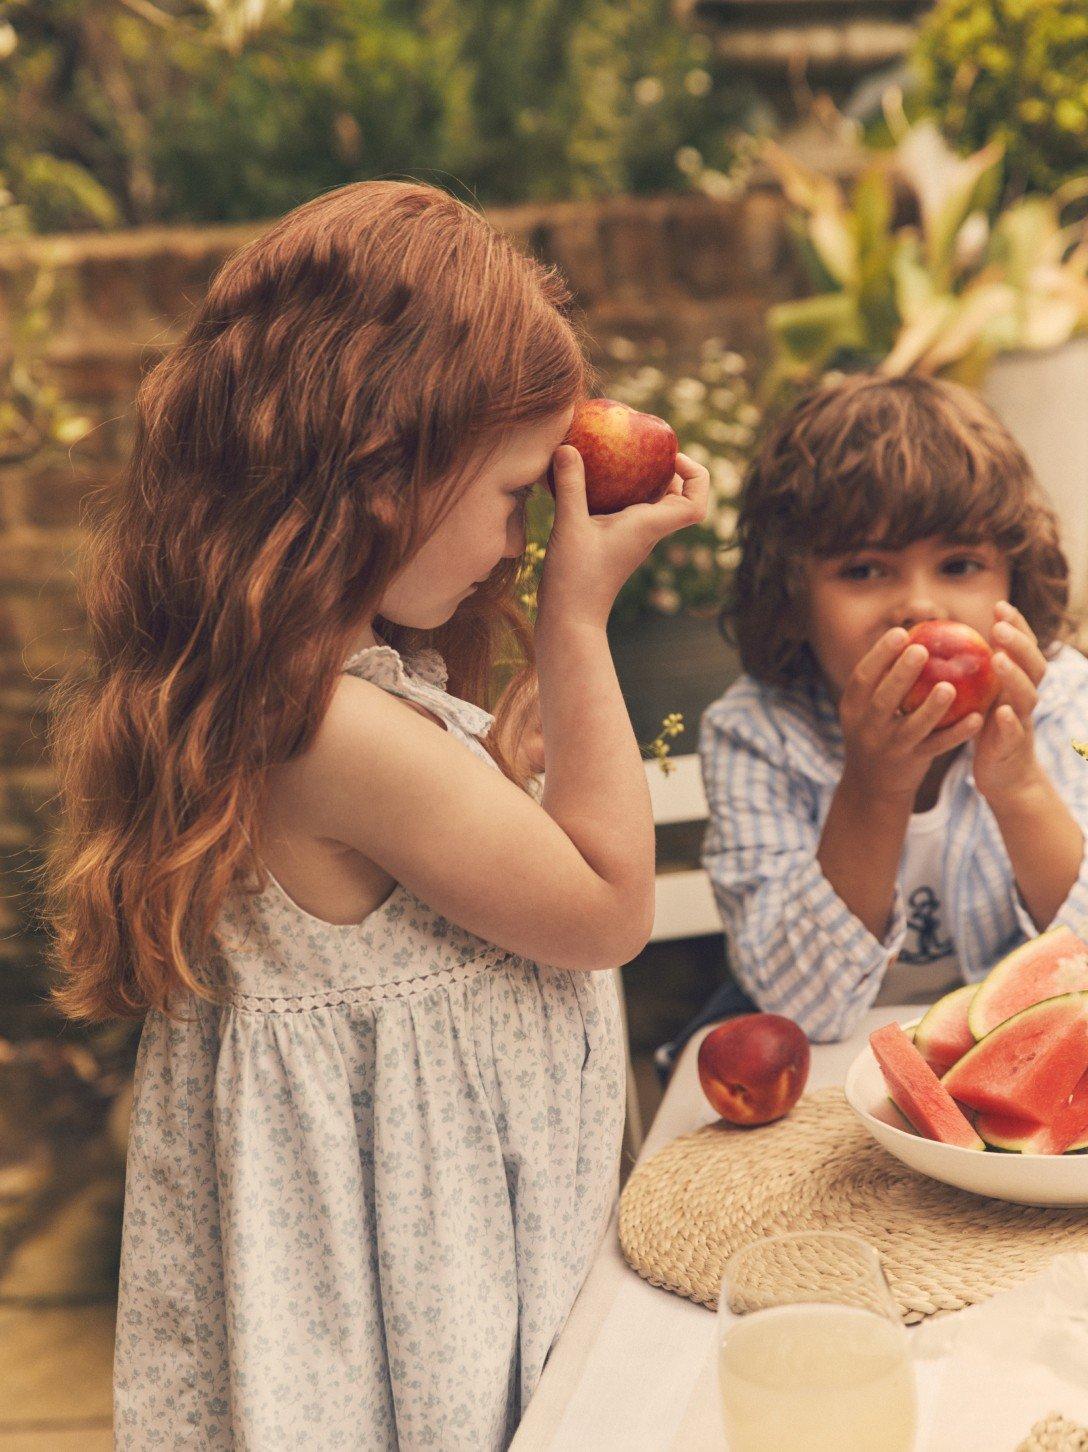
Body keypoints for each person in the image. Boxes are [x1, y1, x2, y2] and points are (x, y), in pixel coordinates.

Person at [37, 181, 708, 1448]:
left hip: (414, 1249)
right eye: (513, 494)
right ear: (380, 471)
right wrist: (575, 621)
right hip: (416, 1287)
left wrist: (502, 775)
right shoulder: (332, 732)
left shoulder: (303, 695)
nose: (521, 540)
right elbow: (609, 908)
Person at [692, 371, 1088, 1047]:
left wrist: (1019, 785)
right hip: (822, 1075)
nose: (919, 605)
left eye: (959, 565)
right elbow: (798, 1006)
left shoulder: (1060, 699)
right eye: (866, 570)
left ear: (1013, 580)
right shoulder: (755, 735)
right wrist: (873, 789)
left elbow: (1078, 980)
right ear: (792, 599)